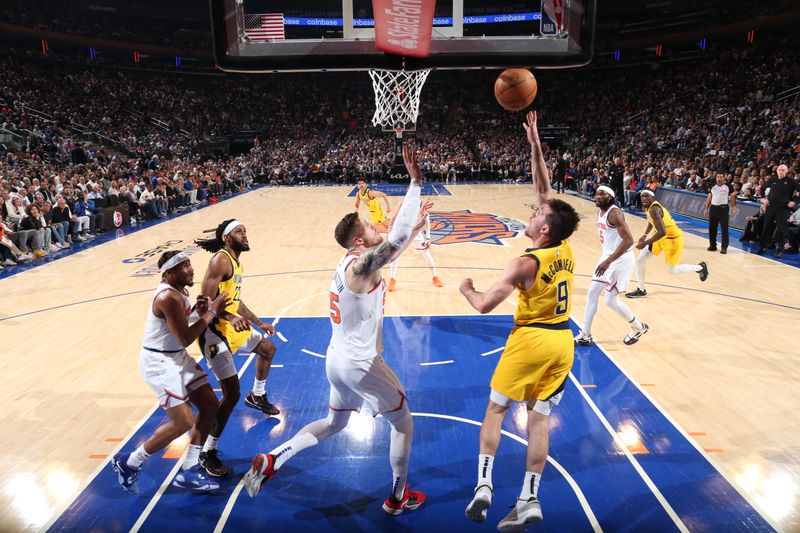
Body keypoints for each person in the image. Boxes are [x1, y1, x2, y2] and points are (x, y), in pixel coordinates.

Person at [243, 144, 433, 517]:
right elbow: (390, 245)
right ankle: (396, 498)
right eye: (368, 227)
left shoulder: (351, 263)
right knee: (403, 421)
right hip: (360, 362)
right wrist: (415, 184)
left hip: (337, 359)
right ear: (358, 241)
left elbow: (390, 251)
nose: (375, 227)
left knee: (335, 422)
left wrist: (414, 228)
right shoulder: (361, 266)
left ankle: (274, 458)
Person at [460, 111, 580, 530]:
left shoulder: (524, 262)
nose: (529, 214)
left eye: (534, 215)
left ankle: (484, 487)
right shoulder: (564, 248)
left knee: (494, 411)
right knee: (539, 418)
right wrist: (534, 145)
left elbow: (483, 305)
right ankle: (529, 497)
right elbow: (545, 191)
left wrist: (467, 289)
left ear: (544, 228)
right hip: (564, 341)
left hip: (530, 340)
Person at [111, 251, 229, 494]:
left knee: (209, 405)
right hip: (159, 363)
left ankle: (189, 469)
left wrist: (198, 311)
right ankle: (130, 462)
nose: (191, 269)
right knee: (183, 422)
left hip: (175, 357)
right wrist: (211, 312)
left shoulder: (181, 291)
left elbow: (182, 323)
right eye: (184, 266)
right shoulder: (167, 297)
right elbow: (185, 337)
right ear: (169, 273)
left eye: (189, 263)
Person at [195, 220, 280, 478]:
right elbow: (203, 304)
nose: (245, 234)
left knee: (267, 349)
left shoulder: (236, 262)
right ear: (227, 238)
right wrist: (231, 318)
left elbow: (234, 300)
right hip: (214, 333)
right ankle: (207, 451)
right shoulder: (220, 261)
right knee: (231, 394)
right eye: (239, 231)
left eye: (245, 229)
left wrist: (257, 321)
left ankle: (257, 396)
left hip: (231, 326)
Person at [574, 186, 649, 346]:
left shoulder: (614, 213)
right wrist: (607, 259)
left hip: (620, 260)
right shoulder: (600, 212)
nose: (598, 196)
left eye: (603, 194)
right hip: (608, 257)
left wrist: (608, 261)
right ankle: (585, 335)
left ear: (611, 197)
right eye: (597, 194)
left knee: (610, 301)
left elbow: (629, 240)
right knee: (592, 292)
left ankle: (638, 326)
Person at [626, 190, 708, 298]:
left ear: (653, 198)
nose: (644, 198)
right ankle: (641, 290)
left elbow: (662, 232)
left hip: (672, 239)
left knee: (672, 270)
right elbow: (652, 222)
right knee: (640, 261)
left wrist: (645, 243)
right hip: (659, 238)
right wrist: (645, 234)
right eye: (642, 196)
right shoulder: (646, 207)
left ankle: (700, 267)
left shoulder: (655, 209)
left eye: (647, 196)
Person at [388, 209, 442, 291]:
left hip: (416, 235)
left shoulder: (424, 211)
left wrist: (428, 238)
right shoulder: (406, 208)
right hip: (403, 234)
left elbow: (427, 224)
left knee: (426, 253)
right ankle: (392, 279)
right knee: (395, 256)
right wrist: (392, 232)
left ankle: (435, 276)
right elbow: (395, 219)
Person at [755, 164, 800, 258]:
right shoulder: (773, 179)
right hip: (770, 207)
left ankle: (780, 250)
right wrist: (763, 198)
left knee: (781, 230)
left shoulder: (791, 181)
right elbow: (762, 188)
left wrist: (794, 201)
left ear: (787, 171)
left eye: (783, 170)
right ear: (777, 171)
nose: (781, 171)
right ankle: (763, 247)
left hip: (783, 208)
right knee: (766, 227)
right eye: (779, 170)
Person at [704, 172, 737, 254]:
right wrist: (706, 208)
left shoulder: (728, 186)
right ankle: (712, 245)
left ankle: (724, 247)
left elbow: (732, 196)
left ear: (724, 178)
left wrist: (733, 207)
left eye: (720, 177)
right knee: (712, 228)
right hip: (713, 208)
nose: (719, 178)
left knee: (724, 229)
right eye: (717, 177)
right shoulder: (712, 185)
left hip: (723, 209)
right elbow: (709, 197)